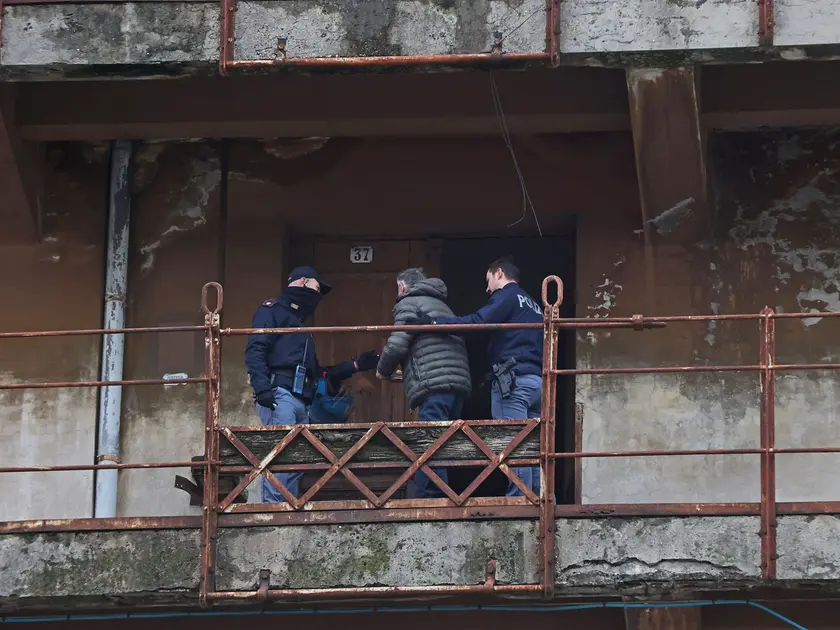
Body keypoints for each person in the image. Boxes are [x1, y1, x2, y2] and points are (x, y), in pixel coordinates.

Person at [407, 257, 543, 497]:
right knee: (530, 445)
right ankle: (535, 496)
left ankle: (520, 499)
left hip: (514, 381)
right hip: (536, 382)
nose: (487, 289)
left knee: (512, 442)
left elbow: (479, 322)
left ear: (499, 273)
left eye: (488, 281)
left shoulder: (507, 296)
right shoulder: (533, 304)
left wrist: (435, 323)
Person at [245, 266, 379, 502]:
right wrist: (262, 388)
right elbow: (255, 350)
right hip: (280, 394)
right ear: (303, 282)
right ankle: (273, 514)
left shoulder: (300, 324)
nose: (318, 297)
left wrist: (355, 366)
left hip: (301, 400)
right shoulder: (272, 311)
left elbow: (318, 372)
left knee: (298, 461)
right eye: (317, 288)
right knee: (282, 455)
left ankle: (287, 508)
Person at [375, 268, 471, 499]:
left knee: (430, 443)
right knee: (442, 443)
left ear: (403, 287)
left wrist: (382, 371)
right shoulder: (441, 305)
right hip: (455, 385)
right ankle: (440, 495)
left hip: (434, 385)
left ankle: (431, 499)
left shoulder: (409, 302)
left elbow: (397, 343)